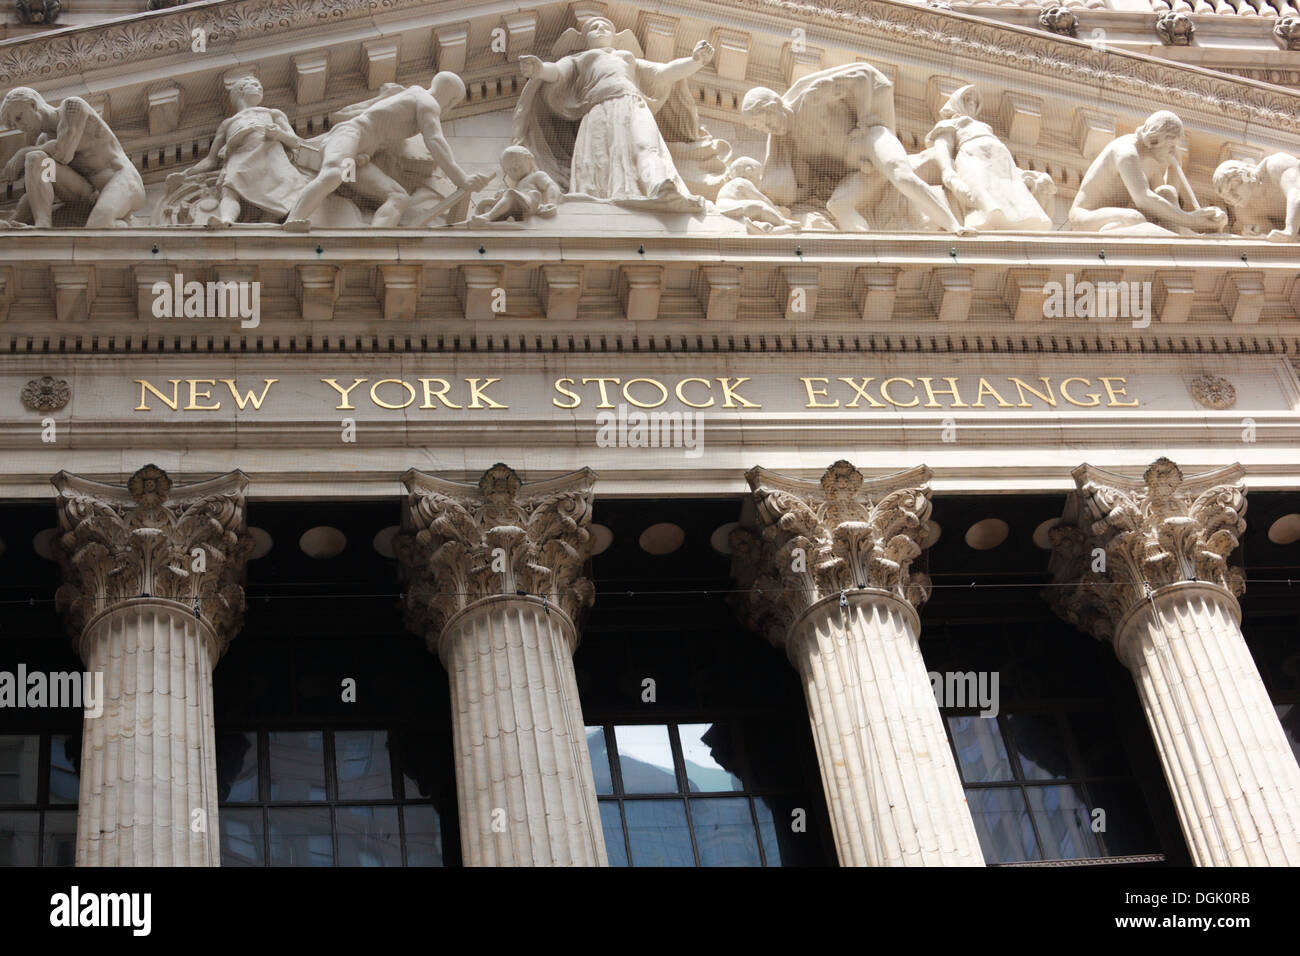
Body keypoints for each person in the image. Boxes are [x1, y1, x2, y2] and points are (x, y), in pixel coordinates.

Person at [740, 63, 970, 234]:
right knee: (838, 206)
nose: (767, 129)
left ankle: (955, 227)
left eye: (766, 120)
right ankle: (871, 256)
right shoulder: (786, 145)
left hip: (870, 141)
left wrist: (864, 118)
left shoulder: (810, 97)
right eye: (760, 128)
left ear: (775, 105)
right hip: (860, 173)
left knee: (901, 175)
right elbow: (791, 189)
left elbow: (863, 76)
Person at [514, 16, 713, 211]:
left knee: (647, 146)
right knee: (601, 157)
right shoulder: (582, 58)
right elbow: (556, 72)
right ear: (585, 39)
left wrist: (695, 61)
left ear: (614, 36)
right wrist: (539, 69)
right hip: (599, 109)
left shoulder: (627, 57)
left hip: (633, 103)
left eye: (606, 27)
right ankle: (601, 198)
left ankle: (659, 187)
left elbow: (664, 73)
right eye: (594, 27)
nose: (600, 29)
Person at [283, 71, 491, 231]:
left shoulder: (411, 97)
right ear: (451, 99)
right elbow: (435, 141)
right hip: (349, 136)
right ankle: (293, 221)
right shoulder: (427, 101)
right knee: (334, 173)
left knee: (398, 197)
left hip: (358, 160)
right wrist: (462, 179)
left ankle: (374, 244)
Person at [0, 86, 144, 228]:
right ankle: (42, 224)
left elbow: (64, 153)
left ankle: (126, 225)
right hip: (88, 193)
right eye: (15, 124)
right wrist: (13, 221)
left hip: (120, 179)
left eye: (19, 117)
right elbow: (36, 189)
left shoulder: (72, 107)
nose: (21, 127)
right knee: (36, 159)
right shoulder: (42, 142)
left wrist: (21, 154)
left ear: (33, 105)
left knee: (97, 227)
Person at [1069, 111, 1226, 235]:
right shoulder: (1126, 152)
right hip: (1085, 217)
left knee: (1166, 192)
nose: (1173, 152)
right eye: (1171, 146)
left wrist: (1173, 168)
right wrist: (1191, 220)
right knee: (1134, 218)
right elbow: (1143, 198)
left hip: (1120, 212)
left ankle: (1185, 242)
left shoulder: (1148, 160)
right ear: (1154, 140)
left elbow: (1165, 203)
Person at [180, 75, 307, 227]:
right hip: (240, 159)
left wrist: (279, 134)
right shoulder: (228, 124)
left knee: (280, 194)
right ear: (240, 90)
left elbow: (296, 142)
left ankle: (268, 224)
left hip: (270, 158)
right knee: (230, 190)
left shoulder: (273, 114)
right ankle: (226, 220)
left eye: (259, 85)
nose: (259, 87)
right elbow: (211, 160)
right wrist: (185, 175)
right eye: (253, 84)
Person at [923, 85, 1052, 231]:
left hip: (1001, 160)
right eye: (967, 99)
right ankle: (989, 217)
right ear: (957, 102)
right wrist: (947, 171)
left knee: (1007, 189)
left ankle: (1019, 218)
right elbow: (942, 146)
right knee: (981, 185)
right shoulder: (951, 123)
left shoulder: (983, 126)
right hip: (973, 157)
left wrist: (1022, 174)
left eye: (974, 101)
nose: (972, 103)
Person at [1212, 153, 1300, 242]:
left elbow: (1296, 194)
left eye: (1233, 188)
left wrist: (1290, 230)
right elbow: (1273, 233)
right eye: (1227, 197)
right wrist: (1256, 236)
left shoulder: (1275, 164)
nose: (1233, 198)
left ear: (1245, 175)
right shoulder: (1245, 212)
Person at [468, 145, 562, 224]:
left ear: (529, 160)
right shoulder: (517, 185)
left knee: (510, 194)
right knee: (487, 203)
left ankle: (489, 216)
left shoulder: (537, 175)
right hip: (519, 205)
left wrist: (551, 203)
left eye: (518, 166)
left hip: (531, 202)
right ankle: (501, 219)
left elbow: (551, 186)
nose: (514, 170)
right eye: (510, 169)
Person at [714, 157, 798, 233]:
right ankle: (783, 222)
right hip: (729, 207)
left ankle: (770, 229)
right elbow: (761, 198)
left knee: (756, 210)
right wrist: (778, 212)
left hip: (727, 208)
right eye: (758, 176)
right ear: (749, 171)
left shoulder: (731, 185)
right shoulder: (742, 181)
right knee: (760, 205)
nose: (759, 180)